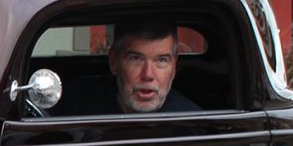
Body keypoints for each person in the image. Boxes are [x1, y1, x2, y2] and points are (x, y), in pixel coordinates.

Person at [63, 18, 200, 116]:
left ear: (174, 67)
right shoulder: (77, 101)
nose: (148, 75)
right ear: (114, 62)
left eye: (161, 60)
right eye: (136, 59)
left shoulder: (193, 125)